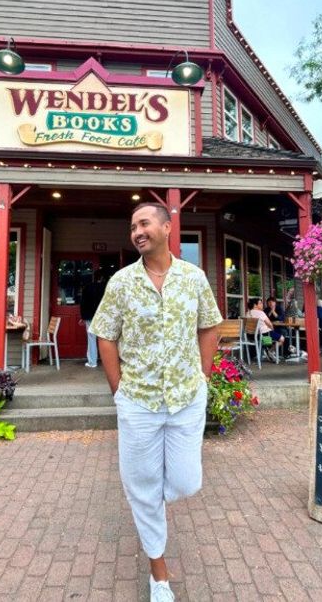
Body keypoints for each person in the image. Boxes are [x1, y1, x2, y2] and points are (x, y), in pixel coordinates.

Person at [90, 202, 222, 602]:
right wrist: (119, 390)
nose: (137, 231)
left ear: (167, 227)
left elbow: (210, 324)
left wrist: (202, 376)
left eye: (144, 223)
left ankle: (149, 493)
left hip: (186, 399)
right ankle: (159, 575)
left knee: (185, 482)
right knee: (143, 490)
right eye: (133, 227)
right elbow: (105, 335)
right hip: (139, 403)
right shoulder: (122, 282)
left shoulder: (193, 277)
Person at [81, 269, 107, 369]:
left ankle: (92, 362)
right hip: (103, 317)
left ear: (94, 277)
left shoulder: (88, 287)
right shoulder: (106, 288)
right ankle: (108, 361)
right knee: (105, 339)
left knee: (91, 339)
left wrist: (83, 317)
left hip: (90, 316)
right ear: (102, 278)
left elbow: (83, 303)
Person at [247, 298, 284, 362]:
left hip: (251, 336)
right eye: (260, 303)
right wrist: (272, 329)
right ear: (255, 305)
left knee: (270, 336)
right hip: (263, 335)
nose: (262, 305)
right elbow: (269, 324)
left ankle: (267, 350)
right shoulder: (260, 313)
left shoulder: (247, 313)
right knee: (282, 338)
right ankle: (270, 351)